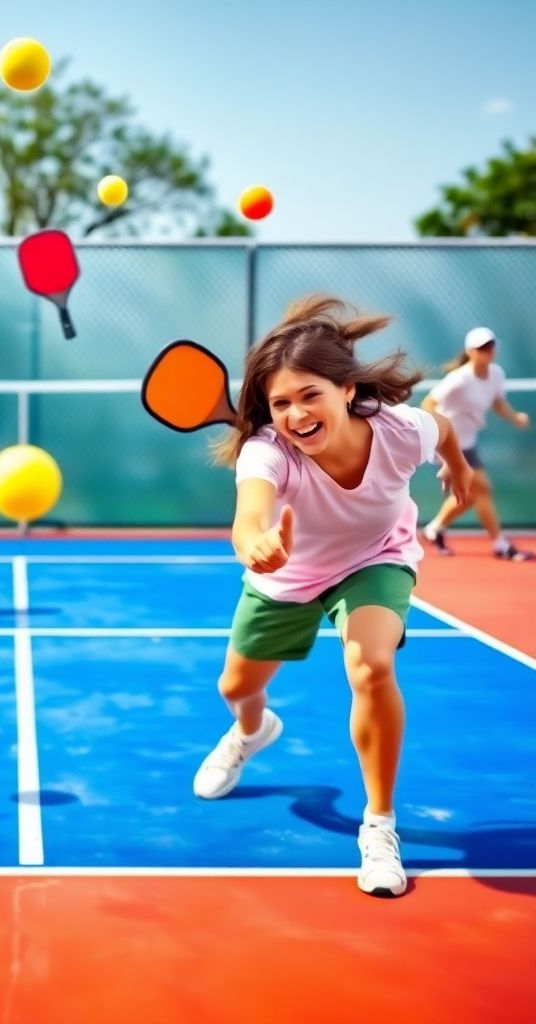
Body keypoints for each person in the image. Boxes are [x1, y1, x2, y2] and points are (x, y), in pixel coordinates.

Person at [193, 295, 472, 898]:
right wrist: (255, 545)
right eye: (280, 403)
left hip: (375, 560)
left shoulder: (400, 432)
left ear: (346, 389)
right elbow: (250, 516)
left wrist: (458, 469)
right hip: (287, 576)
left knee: (371, 667)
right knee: (235, 687)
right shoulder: (267, 452)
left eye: (309, 394)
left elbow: (442, 429)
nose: (295, 414)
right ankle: (250, 731)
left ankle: (379, 826)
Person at [420, 326, 532, 561]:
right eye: (482, 348)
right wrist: (438, 435)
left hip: (467, 443)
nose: (487, 351)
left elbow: (498, 403)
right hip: (447, 444)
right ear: (471, 351)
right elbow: (428, 403)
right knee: (483, 488)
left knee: (470, 495)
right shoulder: (459, 378)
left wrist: (515, 417)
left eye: (490, 346)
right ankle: (501, 545)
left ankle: (434, 528)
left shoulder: (497, 374)